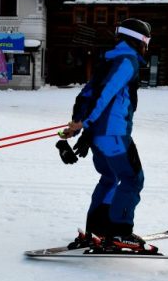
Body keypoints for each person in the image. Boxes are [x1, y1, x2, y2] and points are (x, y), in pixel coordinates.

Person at [58, 18, 157, 254]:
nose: (147, 45)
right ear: (140, 40)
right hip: (113, 134)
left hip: (98, 137)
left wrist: (79, 125)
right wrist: (85, 122)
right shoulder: (127, 61)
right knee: (133, 179)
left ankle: (97, 229)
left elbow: (86, 94)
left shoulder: (109, 59)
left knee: (110, 178)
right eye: (147, 41)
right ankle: (120, 232)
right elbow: (105, 93)